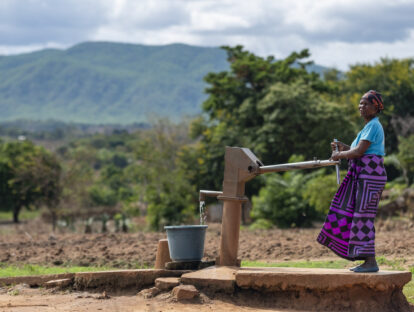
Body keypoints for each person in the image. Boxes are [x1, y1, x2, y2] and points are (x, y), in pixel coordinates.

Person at [317, 90, 386, 273]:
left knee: (363, 216)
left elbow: (358, 153)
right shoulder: (367, 127)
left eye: (366, 104)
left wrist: (340, 154)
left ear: (376, 107)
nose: (361, 107)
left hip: (369, 176)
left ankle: (370, 262)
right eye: (360, 103)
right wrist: (343, 148)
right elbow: (356, 149)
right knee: (356, 214)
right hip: (365, 175)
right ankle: (364, 257)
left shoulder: (374, 126)